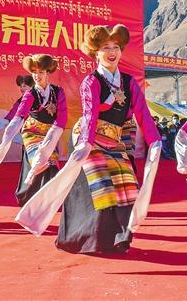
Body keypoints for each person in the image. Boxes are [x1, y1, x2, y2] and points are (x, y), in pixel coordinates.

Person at [16, 24, 162, 255]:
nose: (112, 52)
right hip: (89, 137)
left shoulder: (129, 81)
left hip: (114, 140)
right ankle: (87, 239)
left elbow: (143, 112)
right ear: (96, 52)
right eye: (106, 47)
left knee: (127, 186)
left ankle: (117, 239)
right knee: (102, 185)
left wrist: (155, 141)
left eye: (115, 47)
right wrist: (85, 144)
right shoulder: (91, 81)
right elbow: (90, 115)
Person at [0, 55, 67, 206]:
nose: (37, 76)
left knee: (51, 164)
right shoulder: (30, 94)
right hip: (32, 132)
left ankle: (47, 199)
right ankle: (29, 197)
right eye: (34, 72)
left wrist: (53, 135)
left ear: (48, 73)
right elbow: (19, 116)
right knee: (41, 162)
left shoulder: (58, 92)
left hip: (50, 133)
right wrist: (7, 137)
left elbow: (62, 117)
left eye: (41, 72)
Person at [0, 75, 35, 146]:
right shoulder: (21, 101)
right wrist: (4, 122)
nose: (21, 88)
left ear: (31, 86)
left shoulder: (39, 98)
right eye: (20, 86)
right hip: (27, 133)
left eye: (24, 86)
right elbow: (12, 113)